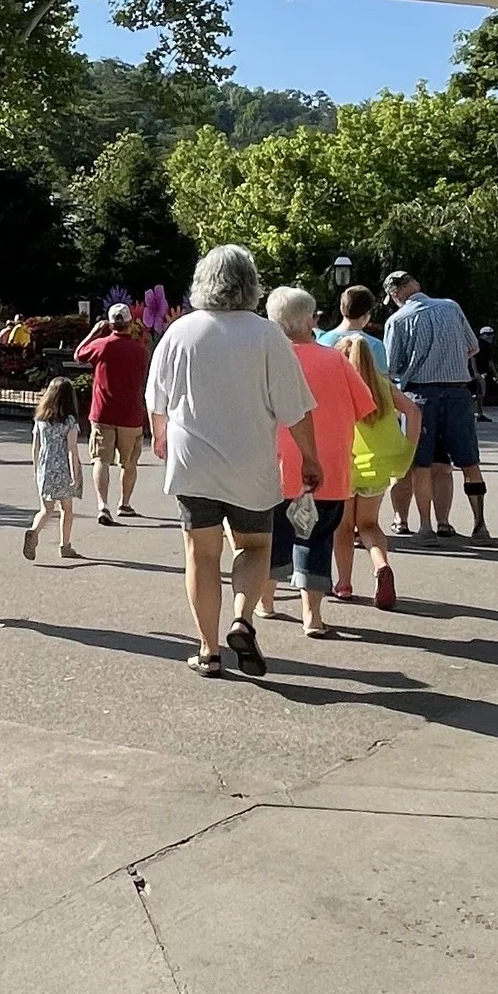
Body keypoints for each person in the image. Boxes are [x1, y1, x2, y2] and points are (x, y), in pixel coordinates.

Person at [145, 244, 320, 680]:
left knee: (201, 555)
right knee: (254, 546)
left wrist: (160, 437)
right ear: (251, 285)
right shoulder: (266, 336)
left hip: (193, 462)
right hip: (251, 463)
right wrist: (311, 458)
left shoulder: (179, 332)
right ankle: (243, 619)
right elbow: (295, 410)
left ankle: (208, 650)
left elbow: (157, 400)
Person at [265, 287, 373, 639]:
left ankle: (265, 603)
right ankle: (312, 615)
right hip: (327, 469)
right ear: (310, 319)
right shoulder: (335, 360)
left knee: (269, 537)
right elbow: (364, 407)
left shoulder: (267, 362)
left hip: (272, 467)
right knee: (316, 538)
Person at [382, 269, 491, 542]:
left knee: (421, 463)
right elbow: (473, 346)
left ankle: (426, 526)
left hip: (420, 395)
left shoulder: (398, 320)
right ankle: (478, 524)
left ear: (395, 294)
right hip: (458, 392)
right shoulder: (451, 307)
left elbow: (392, 366)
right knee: (466, 461)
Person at [329, 283, 412, 610]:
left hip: (343, 457)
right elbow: (408, 407)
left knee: (343, 527)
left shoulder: (325, 344)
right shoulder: (377, 353)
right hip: (375, 458)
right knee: (370, 525)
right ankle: (381, 565)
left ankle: (344, 583)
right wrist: (408, 444)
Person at [73, 300, 153, 523]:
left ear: (109, 324)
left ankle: (102, 505)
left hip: (103, 413)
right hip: (131, 415)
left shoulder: (102, 345)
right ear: (130, 323)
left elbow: (78, 355)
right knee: (129, 463)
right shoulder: (140, 350)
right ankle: (125, 503)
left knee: (101, 460)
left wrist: (93, 333)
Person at [23, 378, 84, 560]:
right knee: (66, 508)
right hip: (63, 467)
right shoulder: (70, 421)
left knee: (46, 509)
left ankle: (34, 532)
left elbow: (36, 445)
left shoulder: (40, 419)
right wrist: (75, 474)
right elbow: (72, 448)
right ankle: (65, 545)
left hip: (45, 466)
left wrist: (36, 470)